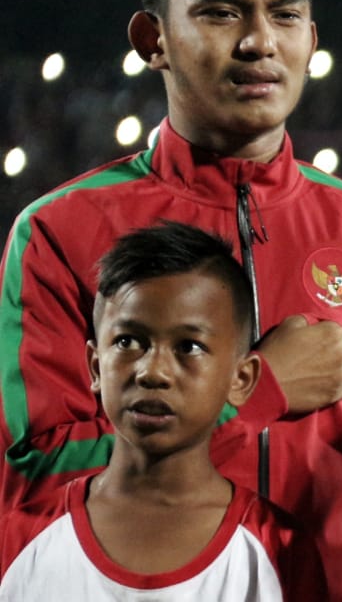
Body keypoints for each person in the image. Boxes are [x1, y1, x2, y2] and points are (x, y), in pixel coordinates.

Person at [0, 0, 342, 601]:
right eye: (220, 12)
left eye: (285, 14)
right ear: (153, 39)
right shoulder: (60, 232)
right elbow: (37, 472)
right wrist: (260, 392)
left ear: (312, 37)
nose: (259, 41)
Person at [0, 222, 324, 600]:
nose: (152, 371)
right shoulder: (19, 541)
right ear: (94, 366)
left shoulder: (278, 549)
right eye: (128, 341)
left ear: (242, 378)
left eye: (188, 347)